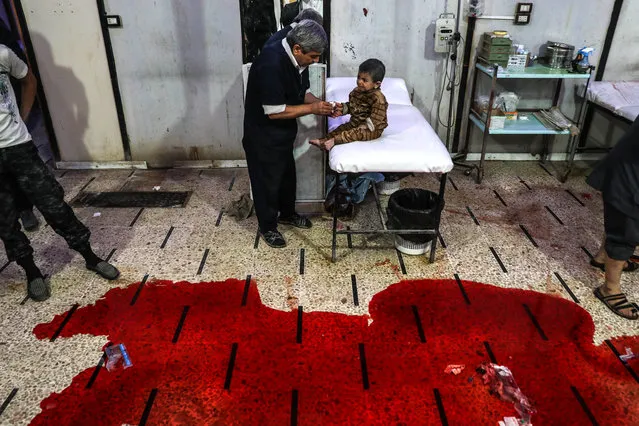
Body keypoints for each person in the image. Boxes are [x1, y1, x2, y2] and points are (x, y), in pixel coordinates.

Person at [0, 44, 120, 302]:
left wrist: (21, 116)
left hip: (18, 146)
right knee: (5, 222)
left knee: (54, 205)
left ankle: (90, 257)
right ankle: (32, 273)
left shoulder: (2, 53)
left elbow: (28, 81)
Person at [243, 20, 335, 248]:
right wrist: (313, 109)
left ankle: (287, 213)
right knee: (267, 182)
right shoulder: (271, 63)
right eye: (313, 56)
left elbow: (301, 94)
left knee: (286, 176)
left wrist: (322, 105)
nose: (316, 61)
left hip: (283, 133)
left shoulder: (297, 60)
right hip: (263, 135)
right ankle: (268, 226)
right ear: (297, 49)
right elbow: (274, 112)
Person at [586, 115, 639, 320]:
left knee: (619, 219)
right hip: (632, 174)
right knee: (627, 229)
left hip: (627, 164)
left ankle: (601, 258)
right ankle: (609, 288)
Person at [0, 20, 40, 231]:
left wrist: (22, 117)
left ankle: (25, 208)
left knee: (18, 167)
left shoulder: (3, 47)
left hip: (9, 116)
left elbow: (26, 77)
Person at [310, 58, 388, 151]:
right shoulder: (357, 91)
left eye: (364, 80)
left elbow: (377, 119)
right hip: (355, 122)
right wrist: (343, 108)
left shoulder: (378, 99)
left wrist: (364, 126)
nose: (359, 81)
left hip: (371, 129)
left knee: (356, 133)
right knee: (341, 128)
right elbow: (353, 106)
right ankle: (324, 140)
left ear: (376, 84)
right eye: (358, 77)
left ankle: (334, 141)